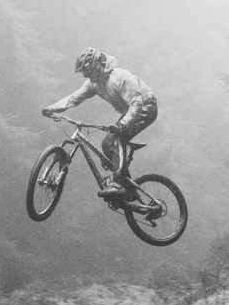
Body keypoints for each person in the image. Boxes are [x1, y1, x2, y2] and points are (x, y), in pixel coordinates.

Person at [42, 47, 158, 197]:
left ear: (98, 65)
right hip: (130, 111)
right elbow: (74, 98)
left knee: (115, 139)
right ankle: (128, 188)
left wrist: (121, 125)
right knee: (106, 144)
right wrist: (53, 108)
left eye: (88, 72)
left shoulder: (120, 77)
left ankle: (118, 182)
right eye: (84, 73)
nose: (87, 76)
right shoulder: (94, 83)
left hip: (145, 107)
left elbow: (136, 104)